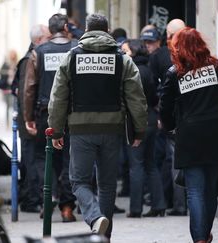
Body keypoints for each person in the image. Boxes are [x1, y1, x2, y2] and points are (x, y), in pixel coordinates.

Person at [47, 13, 147, 239]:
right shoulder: (122, 59)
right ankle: (105, 236)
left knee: (79, 181)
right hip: (112, 129)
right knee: (108, 185)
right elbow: (137, 98)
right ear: (108, 30)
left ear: (87, 30)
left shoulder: (71, 58)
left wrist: (57, 129)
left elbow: (58, 97)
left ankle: (94, 216)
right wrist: (139, 130)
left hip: (81, 130)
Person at [159, 27, 218, 243]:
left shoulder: (175, 73)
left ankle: (200, 239)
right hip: (217, 134)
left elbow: (165, 107)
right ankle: (204, 235)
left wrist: (172, 128)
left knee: (195, 192)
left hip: (190, 136)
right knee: (210, 190)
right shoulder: (216, 67)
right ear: (201, 45)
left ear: (178, 47)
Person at [23, 13, 78, 222]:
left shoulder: (38, 52)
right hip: (71, 114)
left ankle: (48, 199)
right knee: (69, 159)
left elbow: (29, 88)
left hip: (45, 113)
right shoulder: (75, 50)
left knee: (42, 158)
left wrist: (28, 117)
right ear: (65, 27)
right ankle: (66, 207)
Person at [121, 39, 165, 218]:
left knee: (136, 165)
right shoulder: (148, 69)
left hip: (135, 121)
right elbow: (155, 97)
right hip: (151, 119)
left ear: (133, 52)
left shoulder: (130, 71)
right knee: (150, 164)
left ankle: (136, 208)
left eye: (125, 51)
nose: (122, 54)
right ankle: (159, 204)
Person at [10, 24, 51, 213]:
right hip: (31, 121)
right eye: (47, 38)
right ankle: (31, 199)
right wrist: (29, 119)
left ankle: (35, 198)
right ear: (38, 40)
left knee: (34, 159)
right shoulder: (29, 61)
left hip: (33, 118)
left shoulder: (32, 58)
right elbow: (24, 92)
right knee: (32, 160)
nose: (50, 41)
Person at [150, 18, 188, 216]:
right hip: (193, 115)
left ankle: (180, 204)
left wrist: (162, 117)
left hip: (173, 117)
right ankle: (191, 202)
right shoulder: (197, 54)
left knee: (173, 160)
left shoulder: (163, 55)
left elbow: (157, 89)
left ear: (169, 36)